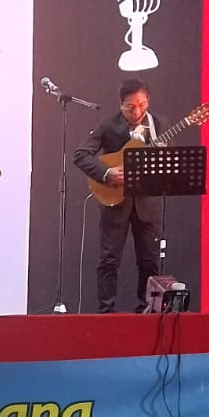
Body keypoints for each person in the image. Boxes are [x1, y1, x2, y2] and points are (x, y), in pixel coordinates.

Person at [73, 77, 164, 313]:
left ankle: (148, 311)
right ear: (121, 104)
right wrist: (107, 173)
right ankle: (106, 313)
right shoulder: (108, 126)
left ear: (148, 101)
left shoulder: (158, 125)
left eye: (142, 105)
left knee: (149, 261)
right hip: (115, 202)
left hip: (147, 204)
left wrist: (165, 155)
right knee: (109, 260)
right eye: (130, 107)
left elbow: (169, 165)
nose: (137, 112)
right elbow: (80, 155)